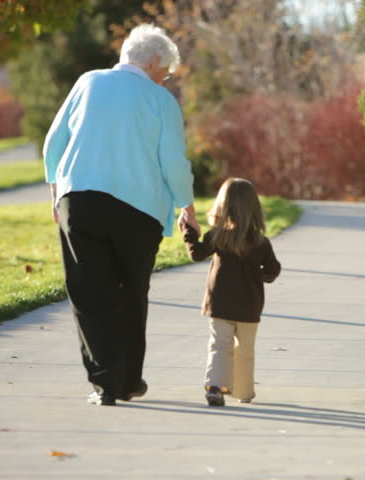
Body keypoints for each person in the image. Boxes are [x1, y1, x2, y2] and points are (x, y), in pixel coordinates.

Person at [43, 24, 200, 406]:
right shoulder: (160, 101)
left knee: (88, 293)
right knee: (132, 292)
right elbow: (173, 163)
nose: (164, 80)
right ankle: (129, 380)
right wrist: (188, 210)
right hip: (139, 210)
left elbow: (53, 143)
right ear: (153, 62)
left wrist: (56, 192)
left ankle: (106, 384)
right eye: (164, 73)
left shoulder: (88, 82)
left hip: (79, 201)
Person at [183, 178, 281, 406]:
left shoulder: (217, 236)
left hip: (220, 303)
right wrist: (261, 276)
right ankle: (244, 392)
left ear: (222, 206)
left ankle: (215, 387)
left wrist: (189, 231)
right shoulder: (260, 241)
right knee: (245, 349)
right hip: (250, 304)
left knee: (219, 345)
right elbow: (273, 269)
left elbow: (196, 254)